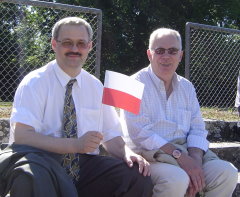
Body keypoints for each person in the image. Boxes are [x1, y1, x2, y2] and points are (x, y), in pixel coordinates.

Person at [0, 17, 153, 197]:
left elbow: (111, 136)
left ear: (89, 46)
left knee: (136, 176)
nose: (74, 49)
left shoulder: (95, 86)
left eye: (81, 43)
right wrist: (75, 144)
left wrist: (127, 153)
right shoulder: (35, 82)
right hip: (41, 159)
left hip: (82, 164)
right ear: (54, 44)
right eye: (67, 43)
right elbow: (22, 136)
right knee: (30, 176)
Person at [122, 28, 238, 197]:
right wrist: (181, 158)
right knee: (176, 179)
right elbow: (141, 134)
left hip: (186, 151)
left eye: (172, 51)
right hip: (149, 156)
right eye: (159, 51)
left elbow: (198, 128)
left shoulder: (187, 87)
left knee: (227, 172)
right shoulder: (131, 84)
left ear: (180, 55)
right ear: (149, 54)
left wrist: (195, 162)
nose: (166, 56)